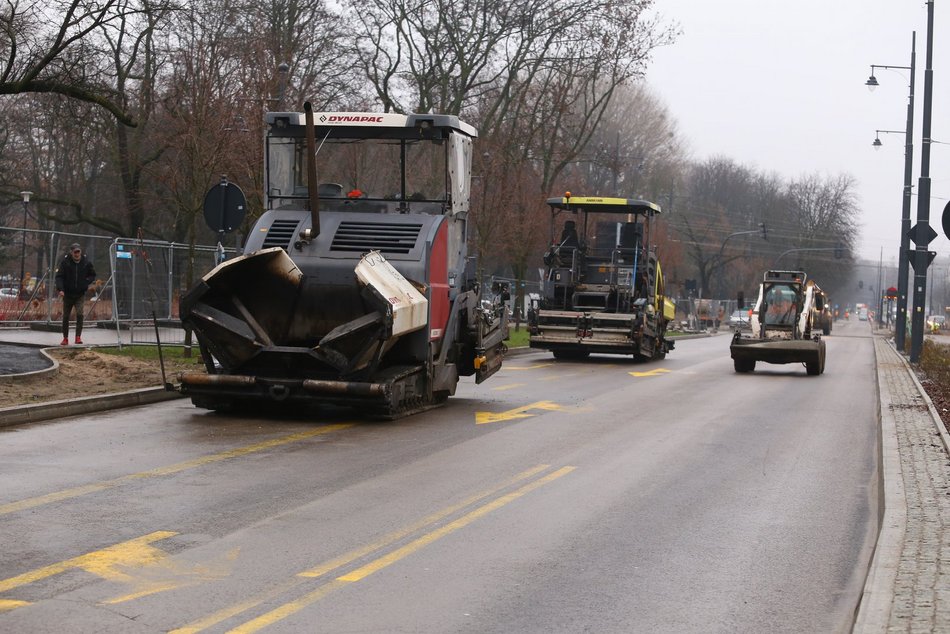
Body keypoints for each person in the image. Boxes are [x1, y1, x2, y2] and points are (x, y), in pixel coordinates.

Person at [54, 243, 96, 345]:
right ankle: (65, 338)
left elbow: (92, 275)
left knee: (80, 314)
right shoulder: (65, 263)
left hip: (80, 294)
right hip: (68, 294)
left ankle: (78, 337)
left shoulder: (86, 262)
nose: (77, 254)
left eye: (78, 252)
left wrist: (86, 282)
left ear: (80, 252)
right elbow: (59, 276)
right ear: (71, 252)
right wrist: (61, 289)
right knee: (66, 316)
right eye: (75, 252)